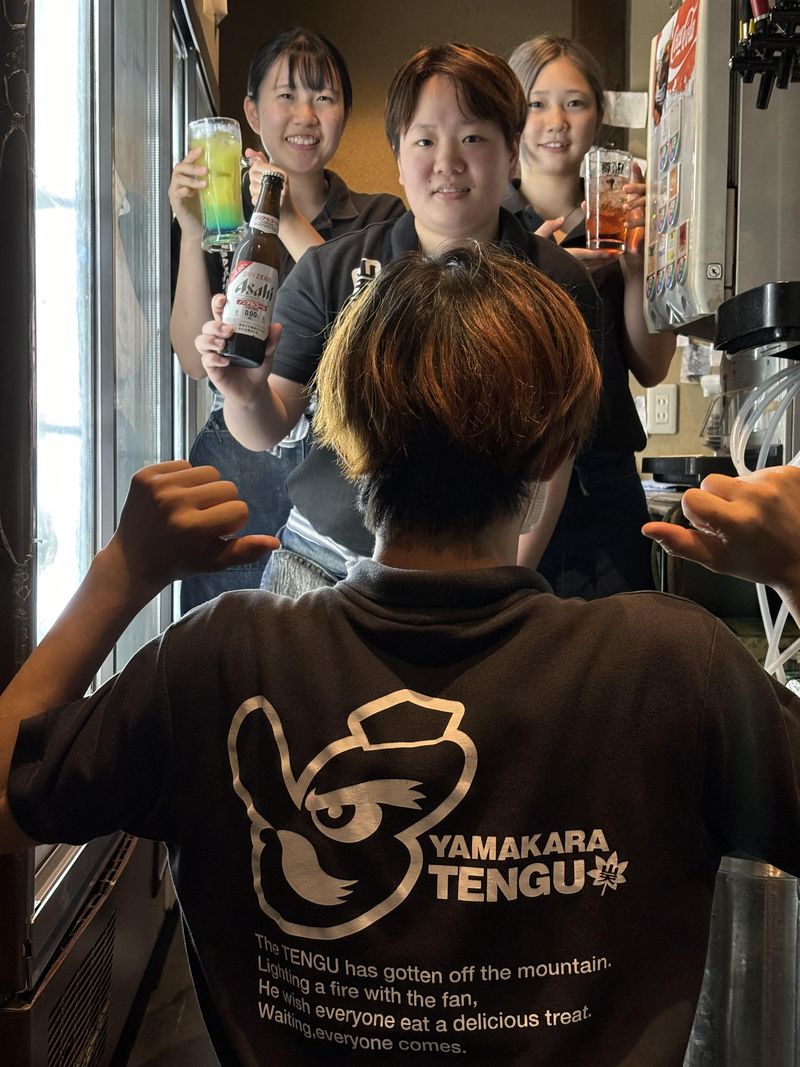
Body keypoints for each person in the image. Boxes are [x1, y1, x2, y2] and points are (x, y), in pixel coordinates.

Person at [4, 246, 800, 1067]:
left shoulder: (216, 662)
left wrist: (121, 574)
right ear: (556, 450)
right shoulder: (671, 667)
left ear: (346, 436)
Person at [196, 42, 604, 599]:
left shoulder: (556, 281)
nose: (448, 162)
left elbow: (554, 455)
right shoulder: (332, 268)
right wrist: (245, 392)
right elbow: (263, 426)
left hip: (478, 572)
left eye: (473, 138)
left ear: (512, 152)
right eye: (425, 140)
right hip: (320, 569)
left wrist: (507, 584)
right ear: (398, 154)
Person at [170, 28, 404, 610]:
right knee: (224, 640)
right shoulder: (224, 219)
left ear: (344, 113)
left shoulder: (380, 220)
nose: (306, 115)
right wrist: (193, 231)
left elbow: (371, 325)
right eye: (286, 96)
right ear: (252, 113)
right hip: (238, 460)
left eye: (324, 97)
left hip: (339, 475)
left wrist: (289, 218)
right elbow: (192, 359)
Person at [507, 34, 677, 598]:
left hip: (606, 481)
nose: (556, 122)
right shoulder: (489, 223)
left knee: (617, 647)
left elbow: (651, 368)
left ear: (598, 115)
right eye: (536, 103)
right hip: (511, 478)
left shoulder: (620, 218)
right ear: (510, 114)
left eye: (575, 103)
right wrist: (541, 273)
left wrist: (638, 266)